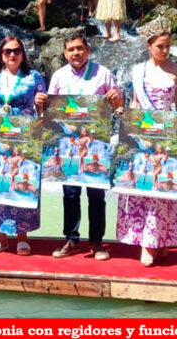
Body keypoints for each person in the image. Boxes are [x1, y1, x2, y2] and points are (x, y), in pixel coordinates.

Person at [116, 16, 177, 266]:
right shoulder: (138, 71)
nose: (165, 50)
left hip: (168, 136)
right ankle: (147, 243)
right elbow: (136, 104)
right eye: (160, 46)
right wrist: (126, 116)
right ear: (149, 46)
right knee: (144, 188)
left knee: (163, 190)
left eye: (168, 45)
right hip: (143, 136)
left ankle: (160, 241)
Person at [47, 33, 123, 260]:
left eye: (79, 49)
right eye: (70, 50)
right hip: (69, 146)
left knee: (96, 195)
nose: (75, 53)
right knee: (70, 194)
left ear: (87, 50)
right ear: (64, 53)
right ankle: (71, 239)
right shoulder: (59, 76)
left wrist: (116, 99)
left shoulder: (103, 74)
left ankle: (97, 243)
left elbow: (119, 106)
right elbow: (51, 111)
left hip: (96, 145)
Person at [0, 36, 47, 256]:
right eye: (7, 51)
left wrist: (42, 104)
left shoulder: (34, 77)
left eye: (16, 51)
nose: (12, 55)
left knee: (23, 181)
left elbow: (43, 109)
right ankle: (1, 238)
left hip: (23, 137)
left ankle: (23, 237)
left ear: (23, 54)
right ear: (1, 55)